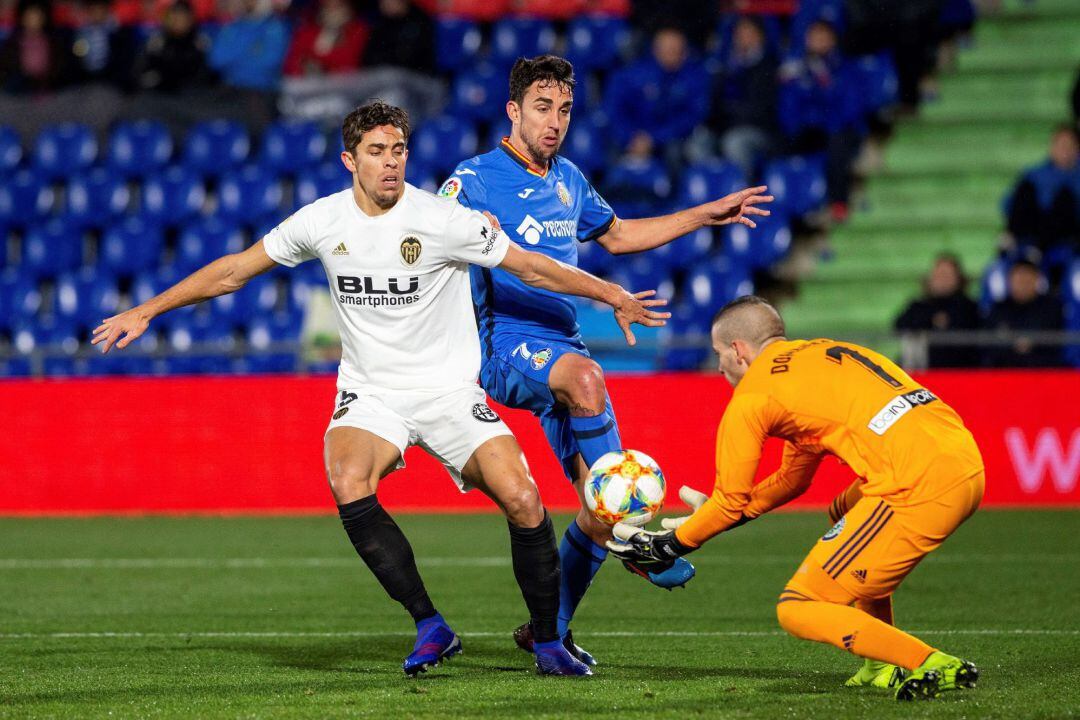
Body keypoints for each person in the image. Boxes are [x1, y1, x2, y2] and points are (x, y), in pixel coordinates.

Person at [91, 100, 669, 677]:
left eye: (398, 151)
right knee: (346, 477)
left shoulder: (442, 219)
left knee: (523, 499)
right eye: (376, 152)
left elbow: (533, 267)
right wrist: (147, 309)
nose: (390, 164)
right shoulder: (321, 221)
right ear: (350, 160)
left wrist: (611, 293)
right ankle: (430, 625)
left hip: (447, 392)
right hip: (371, 394)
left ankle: (548, 641)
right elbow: (232, 272)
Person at [441, 55, 773, 664]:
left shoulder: (567, 176)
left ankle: (550, 630)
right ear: (513, 111)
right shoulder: (474, 180)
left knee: (593, 509)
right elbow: (433, 245)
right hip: (503, 342)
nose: (555, 122)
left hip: (559, 345)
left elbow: (618, 235)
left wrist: (706, 214)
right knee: (591, 381)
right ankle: (638, 539)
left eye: (565, 110)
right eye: (542, 108)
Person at [609, 296, 985, 701]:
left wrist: (667, 545)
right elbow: (792, 479)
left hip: (915, 480)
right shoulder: (819, 355)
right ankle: (881, 663)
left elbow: (730, 500)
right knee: (844, 510)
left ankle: (930, 662)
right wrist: (715, 517)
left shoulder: (754, 397)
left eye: (719, 354)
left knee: (798, 605)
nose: (718, 367)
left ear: (739, 350)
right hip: (963, 456)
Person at [778, 19, 864, 221]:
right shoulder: (796, 70)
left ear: (832, 40)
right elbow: (788, 104)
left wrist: (824, 86)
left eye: (823, 36)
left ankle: (838, 202)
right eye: (814, 37)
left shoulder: (844, 68)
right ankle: (790, 212)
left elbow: (850, 107)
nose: (818, 41)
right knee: (780, 146)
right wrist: (800, 124)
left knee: (837, 146)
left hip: (838, 128)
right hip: (807, 128)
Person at [604, 27, 711, 163]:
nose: (672, 53)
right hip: (632, 138)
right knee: (610, 145)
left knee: (677, 151)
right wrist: (631, 137)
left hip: (671, 139)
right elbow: (615, 109)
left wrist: (654, 138)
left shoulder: (695, 76)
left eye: (676, 49)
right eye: (666, 49)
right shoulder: (632, 74)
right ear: (655, 50)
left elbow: (693, 115)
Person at [894, 253, 980, 368]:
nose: (942, 280)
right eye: (939, 275)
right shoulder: (918, 306)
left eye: (947, 275)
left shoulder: (970, 307)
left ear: (958, 279)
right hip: (923, 373)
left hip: (961, 372)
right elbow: (899, 326)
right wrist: (931, 319)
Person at [983, 259, 1064, 368]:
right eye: (1019, 279)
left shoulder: (1052, 308)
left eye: (1027, 279)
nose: (1023, 283)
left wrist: (1032, 343)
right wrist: (1013, 345)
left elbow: (1057, 344)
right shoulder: (998, 308)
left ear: (1037, 280)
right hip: (1005, 372)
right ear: (1009, 280)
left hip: (1043, 371)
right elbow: (990, 344)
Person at [134, 0, 213, 93]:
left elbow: (206, 75)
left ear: (191, 19)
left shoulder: (201, 43)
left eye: (182, 17)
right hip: (159, 95)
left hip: (193, 97)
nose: (178, 21)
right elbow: (142, 73)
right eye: (174, 17)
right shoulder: (157, 42)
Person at [0, 0, 71, 94]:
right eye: (29, 17)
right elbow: (7, 63)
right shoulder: (13, 41)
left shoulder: (53, 40)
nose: (34, 21)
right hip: (21, 87)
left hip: (49, 85)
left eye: (38, 17)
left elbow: (59, 61)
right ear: (22, 17)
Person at [282, 0, 368, 77]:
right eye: (327, 7)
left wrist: (333, 31)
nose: (333, 12)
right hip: (308, 89)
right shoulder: (307, 32)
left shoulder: (358, 31)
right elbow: (291, 66)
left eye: (338, 7)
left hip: (344, 90)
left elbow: (349, 66)